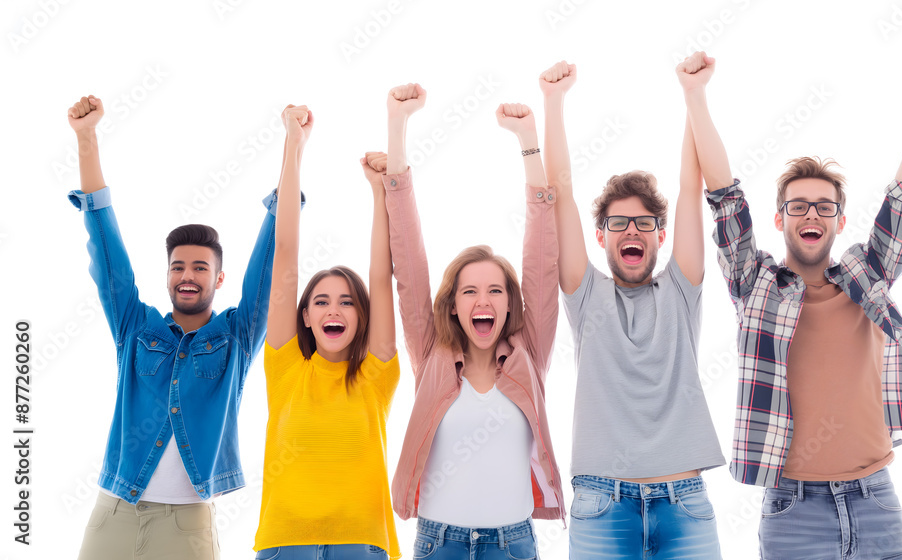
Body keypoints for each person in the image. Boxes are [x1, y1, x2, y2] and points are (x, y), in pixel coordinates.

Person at [683, 50, 902, 558]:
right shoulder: (754, 282)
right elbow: (723, 197)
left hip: (876, 501)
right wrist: (696, 96)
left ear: (838, 222)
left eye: (824, 207)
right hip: (793, 510)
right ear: (781, 219)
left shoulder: (866, 276)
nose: (812, 213)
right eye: (799, 206)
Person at [68, 95, 281, 560]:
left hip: (187, 525)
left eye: (200, 268)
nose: (188, 275)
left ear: (219, 278)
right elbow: (109, 258)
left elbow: (268, 276)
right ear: (167, 275)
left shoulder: (236, 338)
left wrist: (291, 160)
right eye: (178, 266)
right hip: (115, 511)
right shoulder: (136, 328)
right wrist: (86, 139)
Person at [540, 61, 726, 559]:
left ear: (660, 236)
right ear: (600, 236)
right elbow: (561, 197)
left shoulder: (681, 291)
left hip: (683, 504)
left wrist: (693, 94)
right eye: (618, 222)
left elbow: (692, 188)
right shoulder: (585, 295)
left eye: (644, 223)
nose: (632, 232)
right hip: (602, 506)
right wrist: (553, 104)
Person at [381, 83, 565, 559]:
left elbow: (543, 257)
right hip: (438, 543)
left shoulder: (530, 354)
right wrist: (397, 128)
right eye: (469, 291)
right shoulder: (432, 354)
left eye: (494, 291)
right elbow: (409, 263)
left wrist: (527, 139)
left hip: (513, 544)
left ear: (509, 304)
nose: (482, 301)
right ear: (454, 305)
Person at [251, 106, 401, 559]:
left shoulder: (377, 374)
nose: (333, 310)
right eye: (321, 302)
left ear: (361, 317)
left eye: (346, 302)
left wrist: (379, 192)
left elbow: (381, 276)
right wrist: (293, 146)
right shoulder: (285, 368)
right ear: (306, 318)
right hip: (284, 544)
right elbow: (286, 255)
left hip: (362, 543)